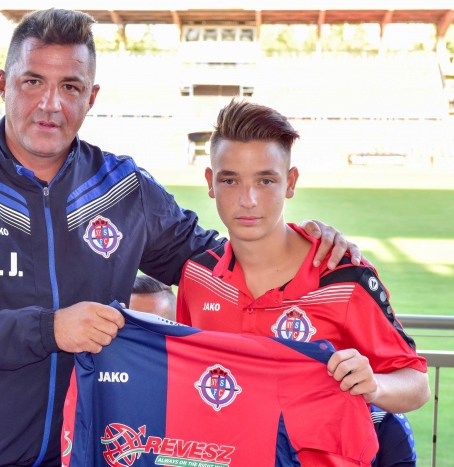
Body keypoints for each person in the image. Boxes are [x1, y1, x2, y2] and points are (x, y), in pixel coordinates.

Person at [0, 10, 361, 467]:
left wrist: (305, 248)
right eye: (33, 82)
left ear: (91, 97)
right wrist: (50, 329)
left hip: (87, 453)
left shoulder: (121, 187)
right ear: (3, 84)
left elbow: (223, 264)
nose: (50, 104)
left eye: (70, 87)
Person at [176, 99, 429, 417]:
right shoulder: (197, 275)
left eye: (265, 181)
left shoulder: (344, 277)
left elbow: (417, 384)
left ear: (291, 182)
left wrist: (375, 386)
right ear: (210, 182)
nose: (247, 200)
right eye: (230, 180)